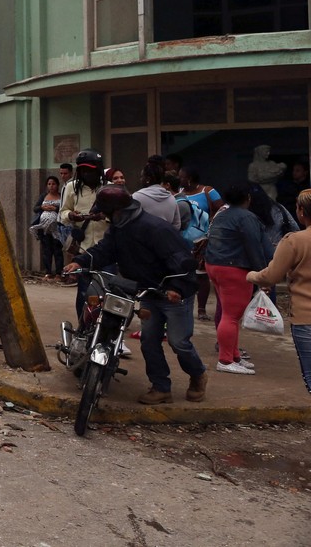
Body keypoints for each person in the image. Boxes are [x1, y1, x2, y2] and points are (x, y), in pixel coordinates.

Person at [63, 185, 206, 404]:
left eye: (105, 212)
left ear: (115, 211)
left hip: (173, 293)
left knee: (179, 342)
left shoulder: (155, 229)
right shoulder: (119, 229)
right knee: (149, 341)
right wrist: (79, 262)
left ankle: (197, 375)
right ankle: (161, 387)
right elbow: (105, 250)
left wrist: (177, 288)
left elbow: (182, 261)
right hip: (147, 291)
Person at [204, 185, 274, 375]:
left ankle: (233, 355)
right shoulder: (247, 217)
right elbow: (254, 246)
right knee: (231, 316)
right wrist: (263, 275)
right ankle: (226, 360)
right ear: (247, 198)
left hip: (213, 265)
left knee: (230, 314)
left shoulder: (221, 215)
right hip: (234, 268)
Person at [247, 188, 311, 393]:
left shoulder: (294, 241)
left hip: (306, 318)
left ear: (301, 211)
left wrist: (251, 276)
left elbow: (272, 276)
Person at [59, 148, 109, 309]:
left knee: (108, 290)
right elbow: (62, 213)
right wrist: (72, 216)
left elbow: (121, 216)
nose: (87, 174)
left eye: (90, 170)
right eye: (83, 170)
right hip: (83, 249)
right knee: (84, 292)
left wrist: (104, 217)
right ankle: (83, 326)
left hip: (107, 249)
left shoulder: (109, 187)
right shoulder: (71, 188)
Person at [179, 166, 223, 319]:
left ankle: (202, 310)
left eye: (182, 176)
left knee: (201, 275)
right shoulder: (179, 193)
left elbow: (222, 209)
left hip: (202, 241)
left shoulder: (208, 191)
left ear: (189, 179)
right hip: (181, 240)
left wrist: (211, 223)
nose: (180, 179)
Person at [31, 175, 65, 278]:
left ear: (58, 185)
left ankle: (59, 272)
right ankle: (48, 272)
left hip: (57, 228)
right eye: (49, 184)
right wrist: (43, 207)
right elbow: (35, 208)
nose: (51, 186)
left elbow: (65, 208)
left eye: (53, 184)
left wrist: (55, 208)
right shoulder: (43, 196)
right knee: (47, 250)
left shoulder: (61, 196)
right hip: (44, 229)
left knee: (57, 250)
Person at [135, 160, 180, 230]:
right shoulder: (172, 199)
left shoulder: (137, 197)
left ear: (147, 179)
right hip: (166, 239)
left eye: (142, 176)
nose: (140, 179)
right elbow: (177, 225)